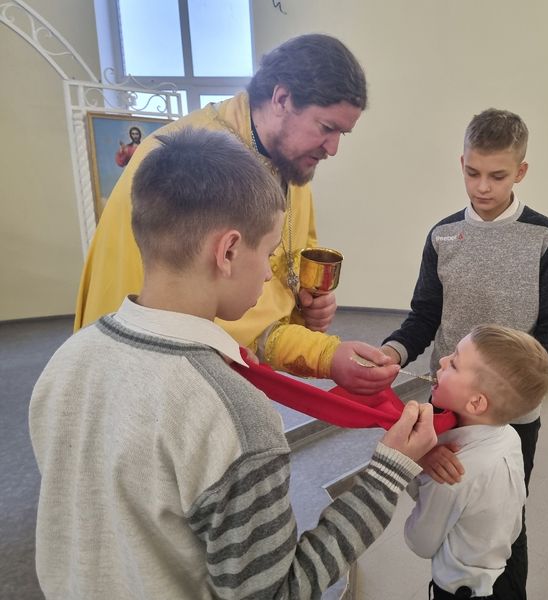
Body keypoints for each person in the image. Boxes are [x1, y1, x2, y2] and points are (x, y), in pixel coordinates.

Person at [30, 128, 438, 600]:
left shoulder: (68, 360)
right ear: (227, 252)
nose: (268, 273)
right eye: (268, 253)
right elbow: (275, 592)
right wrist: (387, 474)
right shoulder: (232, 417)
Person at [75, 33, 398, 395]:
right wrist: (322, 354)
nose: (333, 148)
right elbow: (207, 313)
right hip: (154, 377)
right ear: (281, 98)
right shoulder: (197, 165)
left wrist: (305, 303)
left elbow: (289, 267)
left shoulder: (289, 159)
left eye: (343, 133)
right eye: (326, 128)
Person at [382, 108, 548, 597]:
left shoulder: (544, 236)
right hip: (448, 407)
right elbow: (424, 314)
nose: (482, 187)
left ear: (521, 171)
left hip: (512, 415)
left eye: (497, 176)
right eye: (472, 173)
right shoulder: (442, 235)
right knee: (444, 506)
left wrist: (516, 383)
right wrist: (394, 352)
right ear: (461, 163)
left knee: (505, 521)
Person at [404, 325, 548, 599]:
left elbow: (420, 542)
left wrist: (412, 463)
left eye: (454, 363)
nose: (442, 360)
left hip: (457, 590)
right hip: (502, 577)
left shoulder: (451, 471)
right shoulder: (510, 436)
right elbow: (513, 526)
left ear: (475, 403)